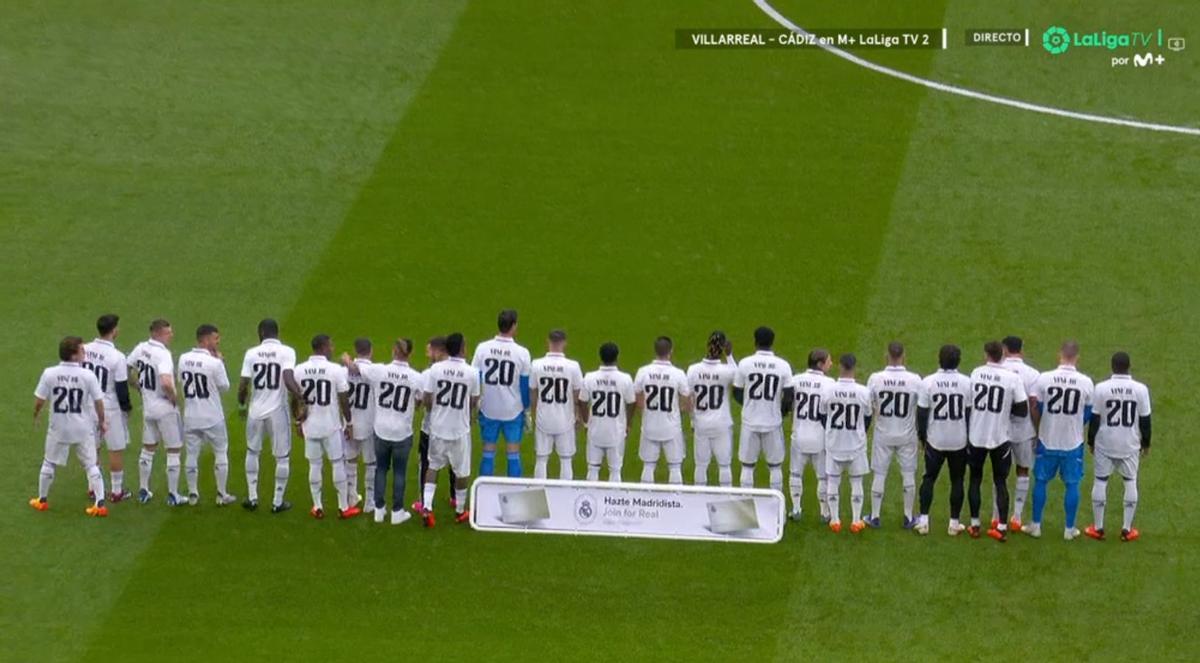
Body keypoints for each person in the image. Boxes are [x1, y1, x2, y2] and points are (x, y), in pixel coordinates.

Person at [344, 338, 423, 525]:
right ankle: (397, 512)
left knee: (380, 469)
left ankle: (378, 510)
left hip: (381, 430)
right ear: (409, 354)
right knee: (400, 472)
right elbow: (421, 399)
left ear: (393, 351)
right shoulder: (415, 377)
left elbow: (356, 369)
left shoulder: (379, 370)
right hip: (402, 433)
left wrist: (347, 360)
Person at [29, 336, 109, 517]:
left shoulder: (49, 373)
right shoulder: (88, 375)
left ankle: (42, 500)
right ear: (73, 355)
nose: (84, 353)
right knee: (91, 465)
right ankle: (100, 503)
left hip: (59, 427)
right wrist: (102, 421)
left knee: (49, 462)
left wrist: (36, 414)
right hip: (82, 427)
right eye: (82, 350)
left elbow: (40, 399)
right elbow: (98, 402)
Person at [1024, 341, 1094, 540]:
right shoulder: (1086, 382)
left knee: (1041, 481)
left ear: (1059, 355)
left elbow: (1035, 406)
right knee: (1072, 484)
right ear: (1077, 357)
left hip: (1047, 438)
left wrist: (1040, 427)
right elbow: (1088, 414)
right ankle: (1069, 529)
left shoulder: (1044, 378)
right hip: (1072, 442)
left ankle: (1036, 525)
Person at [1085, 351, 1152, 542]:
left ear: (1112, 366)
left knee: (1100, 481)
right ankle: (1126, 529)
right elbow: (1145, 419)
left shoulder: (1101, 388)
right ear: (1129, 366)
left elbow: (1095, 418)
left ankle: (1098, 528)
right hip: (1129, 444)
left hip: (1105, 443)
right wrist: (1146, 443)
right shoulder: (1140, 389)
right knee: (1130, 481)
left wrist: (1091, 441)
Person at [966, 341, 1029, 541]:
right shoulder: (1012, 378)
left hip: (976, 435)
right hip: (1000, 436)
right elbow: (1022, 410)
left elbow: (969, 402)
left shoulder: (976, 373)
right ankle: (1001, 526)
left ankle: (975, 524)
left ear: (986, 354)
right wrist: (1004, 411)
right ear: (1002, 354)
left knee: (975, 479)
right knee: (1000, 481)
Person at [238, 318, 302, 513]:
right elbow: (288, 378)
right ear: (277, 332)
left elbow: (243, 385)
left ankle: (252, 497)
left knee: (252, 451)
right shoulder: (287, 352)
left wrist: (242, 404)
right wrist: (301, 397)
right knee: (282, 457)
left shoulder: (251, 353)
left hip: (255, 411)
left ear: (261, 333)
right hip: (277, 411)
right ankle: (277, 501)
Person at [294, 335, 358, 519]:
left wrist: (298, 420)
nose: (332, 348)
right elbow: (344, 398)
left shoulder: (300, 370)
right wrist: (349, 422)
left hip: (310, 426)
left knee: (314, 465)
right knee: (337, 463)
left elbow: (295, 398)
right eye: (330, 345)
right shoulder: (335, 370)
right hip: (331, 425)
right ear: (322, 347)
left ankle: (317, 506)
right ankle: (343, 507)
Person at [421, 332, 480, 526]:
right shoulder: (472, 372)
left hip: (438, 427)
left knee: (433, 466)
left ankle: (427, 507)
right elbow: (473, 401)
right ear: (462, 348)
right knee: (462, 471)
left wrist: (436, 410)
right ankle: (460, 510)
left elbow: (427, 398)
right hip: (459, 429)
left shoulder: (436, 369)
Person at [865, 341, 924, 529]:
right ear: (903, 356)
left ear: (886, 355)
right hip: (907, 434)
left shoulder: (875, 378)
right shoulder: (915, 379)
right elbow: (921, 406)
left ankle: (874, 516)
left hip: (883, 433)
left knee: (879, 474)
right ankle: (908, 516)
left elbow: (869, 405)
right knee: (908, 474)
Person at [915, 345, 972, 536]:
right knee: (957, 480)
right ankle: (954, 523)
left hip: (935, 439)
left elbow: (922, 414)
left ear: (939, 359)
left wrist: (922, 438)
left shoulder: (928, 382)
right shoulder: (966, 382)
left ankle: (923, 520)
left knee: (929, 478)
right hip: (959, 440)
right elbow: (969, 413)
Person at [128, 319, 184, 505]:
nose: (172, 335)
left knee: (148, 448)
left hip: (148, 407)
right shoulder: (163, 354)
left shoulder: (140, 348)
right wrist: (174, 398)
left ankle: (144, 490)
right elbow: (167, 382)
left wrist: (137, 386)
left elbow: (126, 369)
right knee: (173, 450)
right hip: (164, 408)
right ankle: (173, 495)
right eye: (168, 332)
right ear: (158, 334)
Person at [179, 324, 235, 506]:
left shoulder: (183, 358)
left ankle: (193, 494)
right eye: (215, 338)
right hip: (212, 416)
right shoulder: (215, 362)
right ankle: (221, 494)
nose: (218, 342)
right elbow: (225, 386)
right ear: (205, 340)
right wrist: (221, 362)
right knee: (220, 452)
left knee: (191, 454)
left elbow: (180, 380)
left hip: (190, 416)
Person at [471, 309, 532, 477]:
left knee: (488, 451)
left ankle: (485, 494)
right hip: (512, 410)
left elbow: (475, 378)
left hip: (488, 408)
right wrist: (527, 410)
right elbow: (524, 384)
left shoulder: (482, 348)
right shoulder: (522, 353)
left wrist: (475, 404)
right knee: (513, 452)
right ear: (513, 326)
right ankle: (512, 492)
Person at [733, 326, 793, 492]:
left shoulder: (745, 363)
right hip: (773, 422)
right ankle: (776, 507)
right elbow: (789, 396)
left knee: (747, 466)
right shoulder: (783, 366)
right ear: (772, 342)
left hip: (749, 421)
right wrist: (780, 412)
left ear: (755, 341)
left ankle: (747, 502)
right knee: (775, 467)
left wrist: (749, 405)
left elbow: (737, 392)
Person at [83, 314, 133, 501]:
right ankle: (117, 491)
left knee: (91, 447)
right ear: (114, 330)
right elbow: (121, 387)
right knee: (115, 448)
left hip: (87, 406)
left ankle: (93, 487)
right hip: (109, 407)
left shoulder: (85, 349)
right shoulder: (117, 357)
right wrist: (127, 407)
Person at [820, 354, 871, 534]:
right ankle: (856, 520)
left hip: (834, 442)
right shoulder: (864, 392)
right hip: (855, 443)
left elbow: (822, 415)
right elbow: (867, 418)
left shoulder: (828, 390)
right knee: (856, 482)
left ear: (840, 367)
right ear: (854, 367)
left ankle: (835, 520)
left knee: (833, 481)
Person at [634, 336, 692, 484]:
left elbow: (638, 398)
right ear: (670, 351)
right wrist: (678, 411)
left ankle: (647, 501)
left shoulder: (643, 371)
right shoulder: (678, 373)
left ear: (655, 351)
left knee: (648, 466)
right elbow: (686, 400)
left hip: (649, 426)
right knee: (674, 467)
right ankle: (675, 502)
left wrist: (646, 412)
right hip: (671, 427)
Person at [529, 329, 584, 480]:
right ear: (564, 343)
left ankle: (540, 492)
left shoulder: (537, 364)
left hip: (543, 418)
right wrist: (578, 415)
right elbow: (577, 394)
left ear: (548, 341)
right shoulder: (573, 366)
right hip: (565, 419)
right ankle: (564, 495)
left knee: (541, 459)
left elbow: (533, 392)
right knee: (566, 460)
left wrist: (534, 413)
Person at [686, 331, 738, 487]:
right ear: (722, 348)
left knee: (701, 465)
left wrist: (692, 421)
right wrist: (729, 356)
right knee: (724, 465)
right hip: (721, 423)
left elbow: (689, 398)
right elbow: (738, 376)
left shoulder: (693, 370)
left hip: (700, 423)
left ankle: (699, 497)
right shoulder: (726, 371)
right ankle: (726, 495)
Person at [999, 336, 1040, 530]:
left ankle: (996, 516)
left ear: (1004, 349)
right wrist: (1037, 430)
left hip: (1000, 430)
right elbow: (1033, 405)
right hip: (1024, 429)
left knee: (1001, 473)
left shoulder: (996, 370)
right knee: (1023, 469)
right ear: (1021, 349)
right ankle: (1016, 516)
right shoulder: (1032, 374)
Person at [580, 342, 635, 482]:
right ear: (617, 357)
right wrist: (628, 424)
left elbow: (582, 401)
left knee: (592, 468)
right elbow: (631, 403)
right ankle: (613, 502)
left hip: (595, 429)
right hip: (616, 431)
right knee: (615, 470)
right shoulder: (625, 379)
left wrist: (586, 422)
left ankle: (592, 501)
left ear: (600, 357)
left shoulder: (589, 377)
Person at [412, 337, 456, 512]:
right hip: (454, 426)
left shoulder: (428, 374)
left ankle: (424, 502)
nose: (427, 354)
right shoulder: (462, 370)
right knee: (455, 462)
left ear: (438, 351)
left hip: (431, 428)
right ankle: (455, 497)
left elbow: (419, 401)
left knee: (427, 463)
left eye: (429, 350)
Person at [789, 348, 834, 522]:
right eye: (828, 361)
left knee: (795, 474)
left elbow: (785, 401)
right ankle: (824, 512)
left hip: (799, 434)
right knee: (822, 476)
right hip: (820, 436)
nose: (831, 364)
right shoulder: (830, 383)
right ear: (820, 364)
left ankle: (796, 509)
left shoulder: (795, 380)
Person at [345, 337, 377, 512]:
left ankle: (351, 496)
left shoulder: (344, 370)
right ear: (370, 350)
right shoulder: (374, 371)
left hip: (349, 422)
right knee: (371, 463)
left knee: (350, 460)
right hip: (369, 423)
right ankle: (369, 502)